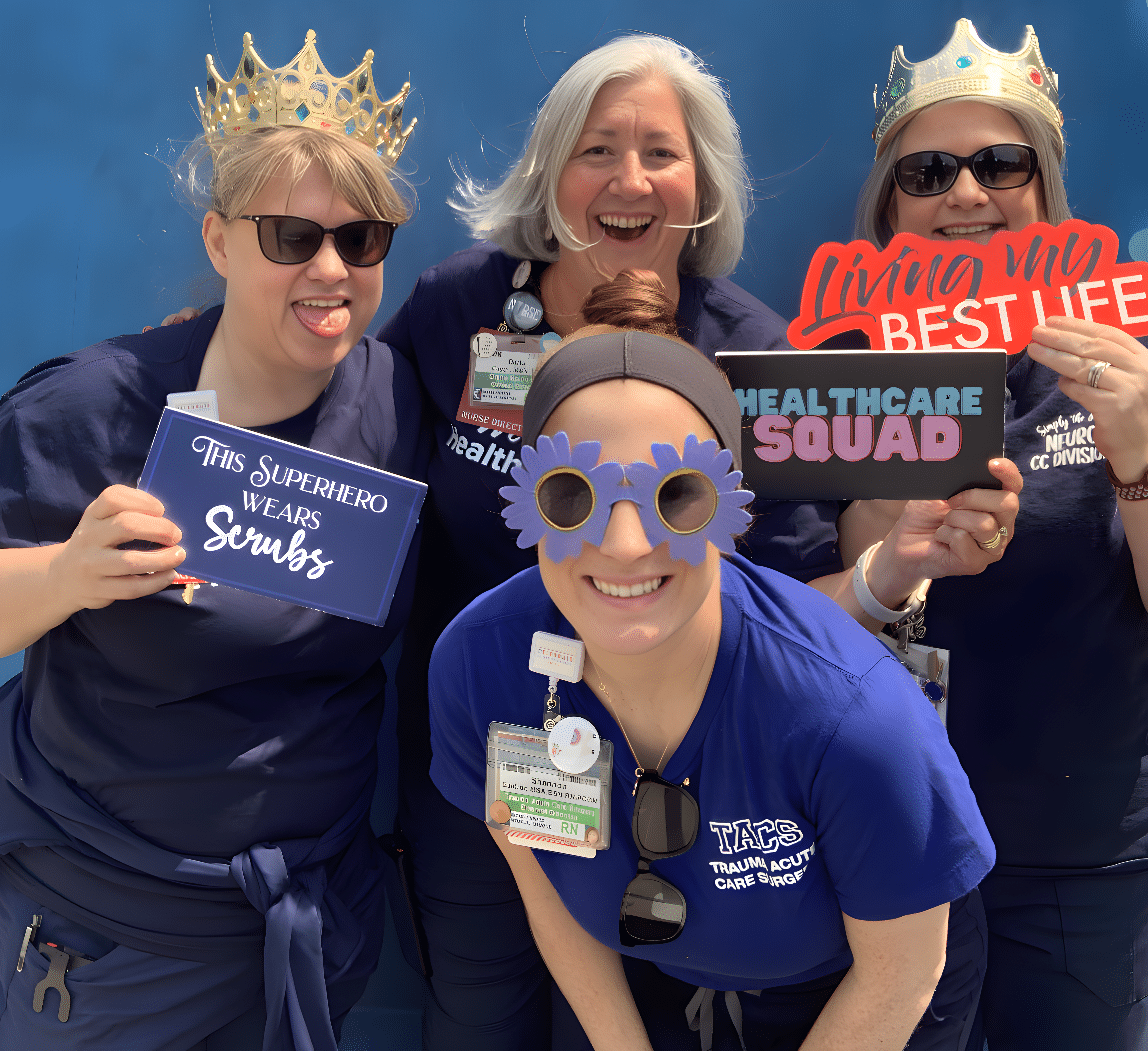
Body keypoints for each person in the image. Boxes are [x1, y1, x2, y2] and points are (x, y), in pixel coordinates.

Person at [377, 36, 845, 1050]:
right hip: (474, 769)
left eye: (659, 153)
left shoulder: (756, 356)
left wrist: (900, 562)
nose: (628, 180)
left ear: (702, 184)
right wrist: (209, 364)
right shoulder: (459, 309)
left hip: (671, 794)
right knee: (478, 1022)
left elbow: (807, 596)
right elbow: (352, 431)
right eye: (597, 149)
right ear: (550, 174)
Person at [427, 275, 996, 1051]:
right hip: (668, 978)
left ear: (734, 511)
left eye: (677, 495)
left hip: (864, 991)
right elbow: (547, 882)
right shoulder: (482, 666)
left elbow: (901, 969)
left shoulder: (853, 716)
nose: (625, 545)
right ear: (527, 505)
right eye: (571, 495)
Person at [0, 30, 423, 1050]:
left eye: (360, 240)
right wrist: (67, 573)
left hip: (309, 924)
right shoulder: (93, 406)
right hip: (107, 942)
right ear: (220, 241)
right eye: (290, 236)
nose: (329, 268)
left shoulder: (397, 402)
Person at [847, 19, 1148, 1051]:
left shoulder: (1127, 356)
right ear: (888, 208)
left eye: (999, 162)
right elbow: (788, 613)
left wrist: (1139, 456)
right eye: (926, 171)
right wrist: (894, 544)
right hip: (881, 853)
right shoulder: (830, 369)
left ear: (1045, 184)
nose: (965, 195)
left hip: (1077, 862)